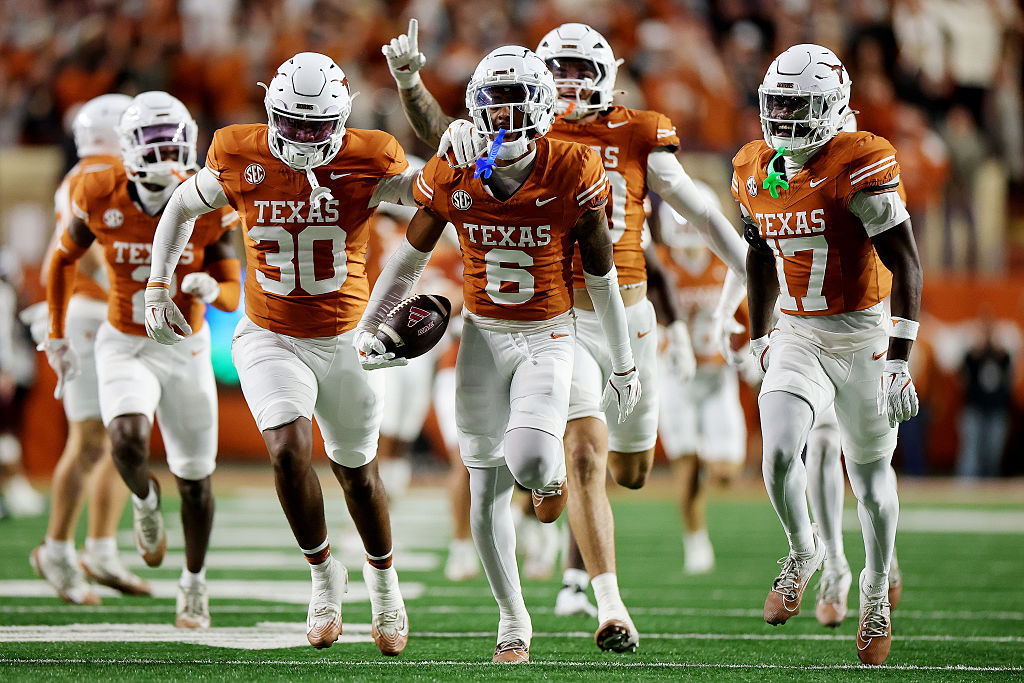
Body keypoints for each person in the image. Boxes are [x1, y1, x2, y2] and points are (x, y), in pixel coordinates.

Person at [382, 19, 746, 652]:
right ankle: (606, 602)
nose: (572, 83)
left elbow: (698, 212)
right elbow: (440, 138)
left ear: (609, 77)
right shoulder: (520, 129)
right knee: (582, 454)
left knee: (630, 470)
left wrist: (749, 274)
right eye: (561, 71)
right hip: (560, 317)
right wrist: (412, 80)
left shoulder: (637, 134)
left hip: (627, 315)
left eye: (584, 70)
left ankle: (553, 497)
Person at [357, 45, 640, 663]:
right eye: (494, 103)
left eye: (517, 103)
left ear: (542, 108)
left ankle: (552, 479)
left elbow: (601, 278)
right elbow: (410, 257)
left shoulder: (572, 165)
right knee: (484, 486)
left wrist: (621, 358)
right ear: (475, 108)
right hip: (483, 335)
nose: (505, 117)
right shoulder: (456, 163)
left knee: (534, 460)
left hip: (548, 333)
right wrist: (371, 325)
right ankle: (513, 616)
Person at [143, 53, 418, 655]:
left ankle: (383, 581)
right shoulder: (242, 152)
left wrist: (400, 299)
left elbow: (434, 202)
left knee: (358, 476)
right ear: (271, 112)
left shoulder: (369, 156)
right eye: (291, 124)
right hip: (268, 333)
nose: (302, 139)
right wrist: (157, 282)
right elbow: (182, 206)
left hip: (346, 338)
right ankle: (323, 576)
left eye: (318, 127)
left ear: (342, 121)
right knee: (288, 450)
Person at [735, 44, 922, 665]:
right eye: (777, 104)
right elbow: (760, 253)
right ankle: (804, 550)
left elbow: (906, 263)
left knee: (869, 480)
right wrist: (761, 334)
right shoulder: (755, 165)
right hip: (799, 331)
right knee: (780, 447)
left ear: (832, 105)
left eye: (798, 105)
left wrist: (899, 357)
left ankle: (873, 586)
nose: (784, 119)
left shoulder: (859, 159)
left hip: (865, 334)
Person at [41, 91, 241, 628]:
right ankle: (146, 500)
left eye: (170, 143)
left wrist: (211, 289)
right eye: (151, 143)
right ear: (127, 147)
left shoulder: (208, 199)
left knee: (197, 477)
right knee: (125, 439)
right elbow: (63, 258)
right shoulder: (97, 188)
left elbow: (230, 286)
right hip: (123, 339)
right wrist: (57, 331)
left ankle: (193, 585)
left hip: (186, 347)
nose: (162, 154)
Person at [28, 94, 152, 605]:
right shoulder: (100, 174)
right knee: (94, 441)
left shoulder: (85, 171)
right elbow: (103, 248)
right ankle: (60, 547)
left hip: (99, 309)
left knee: (120, 437)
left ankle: (96, 547)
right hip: (92, 310)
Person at [652, 190, 747, 575]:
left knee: (725, 472)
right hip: (674, 378)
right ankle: (695, 542)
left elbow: (752, 312)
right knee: (686, 467)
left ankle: (704, 458)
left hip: (717, 376)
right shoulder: (657, 264)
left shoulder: (726, 262)